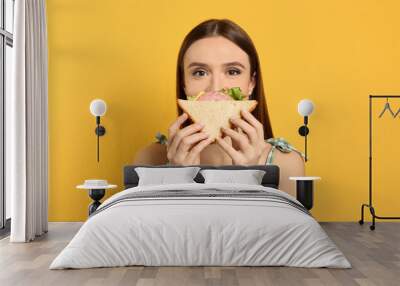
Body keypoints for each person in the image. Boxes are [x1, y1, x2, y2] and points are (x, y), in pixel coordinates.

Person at [134, 19, 305, 197]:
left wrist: (250, 179)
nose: (215, 87)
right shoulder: (150, 159)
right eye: (200, 72)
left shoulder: (286, 163)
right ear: (184, 84)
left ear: (251, 83)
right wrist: (178, 180)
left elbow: (283, 225)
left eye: (233, 71)